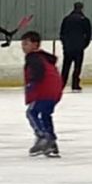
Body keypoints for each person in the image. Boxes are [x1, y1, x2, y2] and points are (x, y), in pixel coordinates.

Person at [21, 30, 63, 158]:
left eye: (26, 44)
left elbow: (38, 73)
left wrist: (31, 84)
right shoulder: (43, 57)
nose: (23, 47)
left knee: (31, 112)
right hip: (55, 91)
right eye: (22, 44)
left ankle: (44, 137)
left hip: (45, 90)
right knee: (45, 115)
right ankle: (52, 142)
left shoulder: (33, 57)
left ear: (35, 45)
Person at [59, 2, 92, 92]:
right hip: (79, 47)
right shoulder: (84, 20)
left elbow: (62, 33)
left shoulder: (66, 19)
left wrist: (64, 44)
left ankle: (61, 84)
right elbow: (88, 34)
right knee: (77, 67)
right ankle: (75, 84)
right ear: (82, 8)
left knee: (66, 66)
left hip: (68, 47)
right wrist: (84, 45)